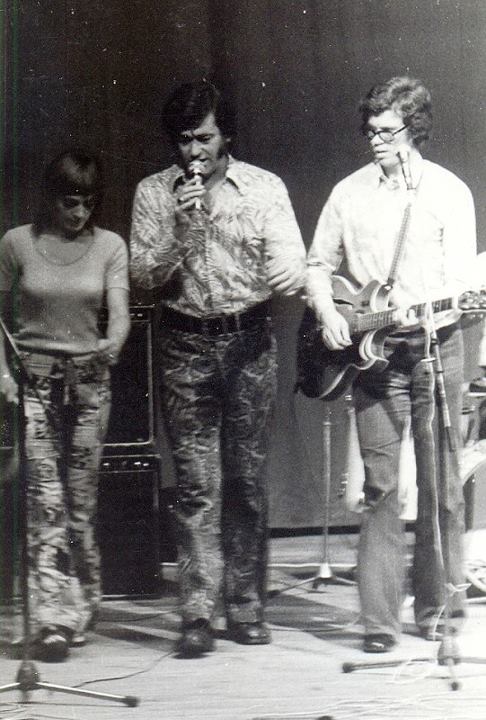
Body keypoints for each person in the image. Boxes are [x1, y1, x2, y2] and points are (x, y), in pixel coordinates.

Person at [130, 80, 306, 657]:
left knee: (246, 481)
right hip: (184, 343)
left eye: (203, 137)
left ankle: (246, 605)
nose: (194, 151)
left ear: (225, 134)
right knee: (196, 485)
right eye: (184, 140)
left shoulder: (264, 188)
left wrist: (290, 271)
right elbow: (142, 277)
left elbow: (291, 257)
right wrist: (181, 231)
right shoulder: (154, 193)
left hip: (250, 341)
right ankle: (197, 612)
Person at [306, 76, 476, 653]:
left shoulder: (449, 192)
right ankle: (379, 624)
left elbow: (461, 283)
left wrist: (431, 309)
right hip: (372, 358)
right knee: (379, 488)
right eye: (370, 130)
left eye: (387, 131)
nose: (375, 140)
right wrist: (328, 310)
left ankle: (437, 610)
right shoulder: (348, 194)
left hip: (435, 347)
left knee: (441, 487)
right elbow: (317, 264)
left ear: (415, 129)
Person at [0, 149, 130, 661]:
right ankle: (51, 618)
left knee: (79, 504)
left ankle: (81, 604)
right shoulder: (16, 243)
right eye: (69, 202)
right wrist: (3, 374)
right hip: (33, 380)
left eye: (88, 203)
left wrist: (115, 340)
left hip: (89, 383)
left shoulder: (110, 246)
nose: (79, 213)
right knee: (45, 501)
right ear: (50, 198)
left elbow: (118, 312)